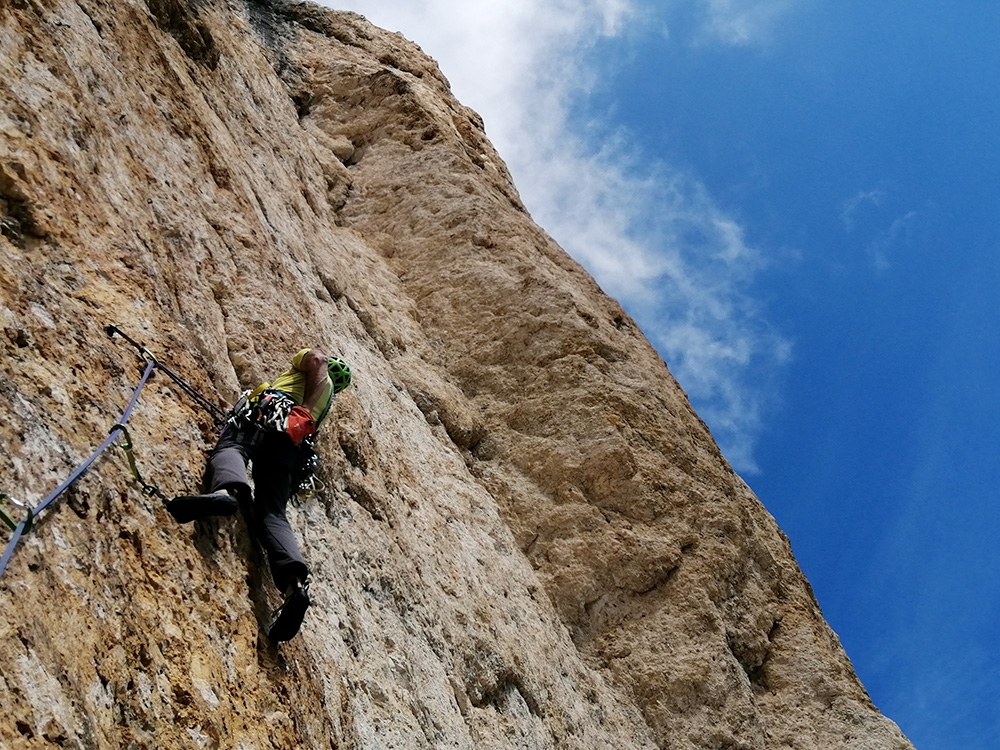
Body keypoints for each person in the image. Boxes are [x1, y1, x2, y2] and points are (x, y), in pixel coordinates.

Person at [167, 348, 352, 642]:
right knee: (272, 513)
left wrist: (301, 410)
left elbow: (317, 359)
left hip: (271, 414)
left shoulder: (314, 372)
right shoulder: (325, 403)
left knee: (232, 449)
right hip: (292, 445)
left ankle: (227, 492)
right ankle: (295, 586)